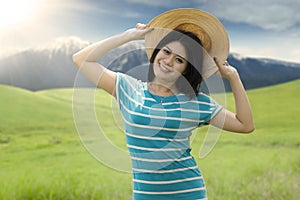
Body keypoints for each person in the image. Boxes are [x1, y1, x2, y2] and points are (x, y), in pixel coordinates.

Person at [73, 9, 254, 200]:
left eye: (179, 60)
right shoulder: (127, 88)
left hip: (188, 194)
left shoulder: (196, 102)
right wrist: (128, 36)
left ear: (186, 69)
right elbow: (81, 59)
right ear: (157, 51)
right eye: (166, 52)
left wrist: (234, 78)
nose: (168, 61)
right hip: (145, 195)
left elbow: (245, 125)